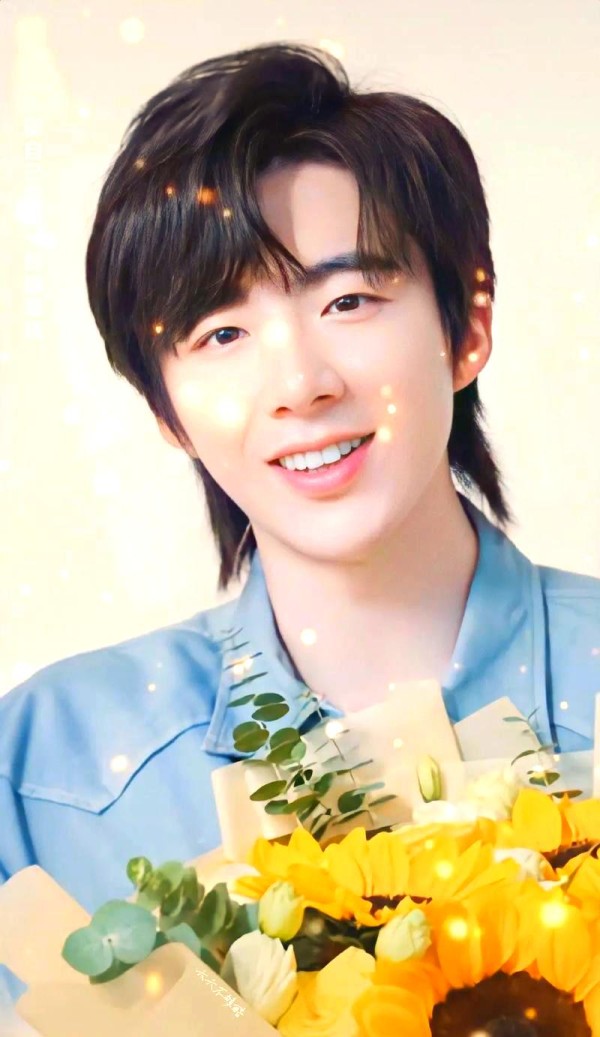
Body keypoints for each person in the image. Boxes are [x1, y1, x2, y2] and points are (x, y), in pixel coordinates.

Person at [1, 40, 599, 989]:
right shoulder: (45, 772)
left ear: (467, 326)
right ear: (166, 410)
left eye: (349, 300)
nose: (300, 383)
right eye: (222, 332)